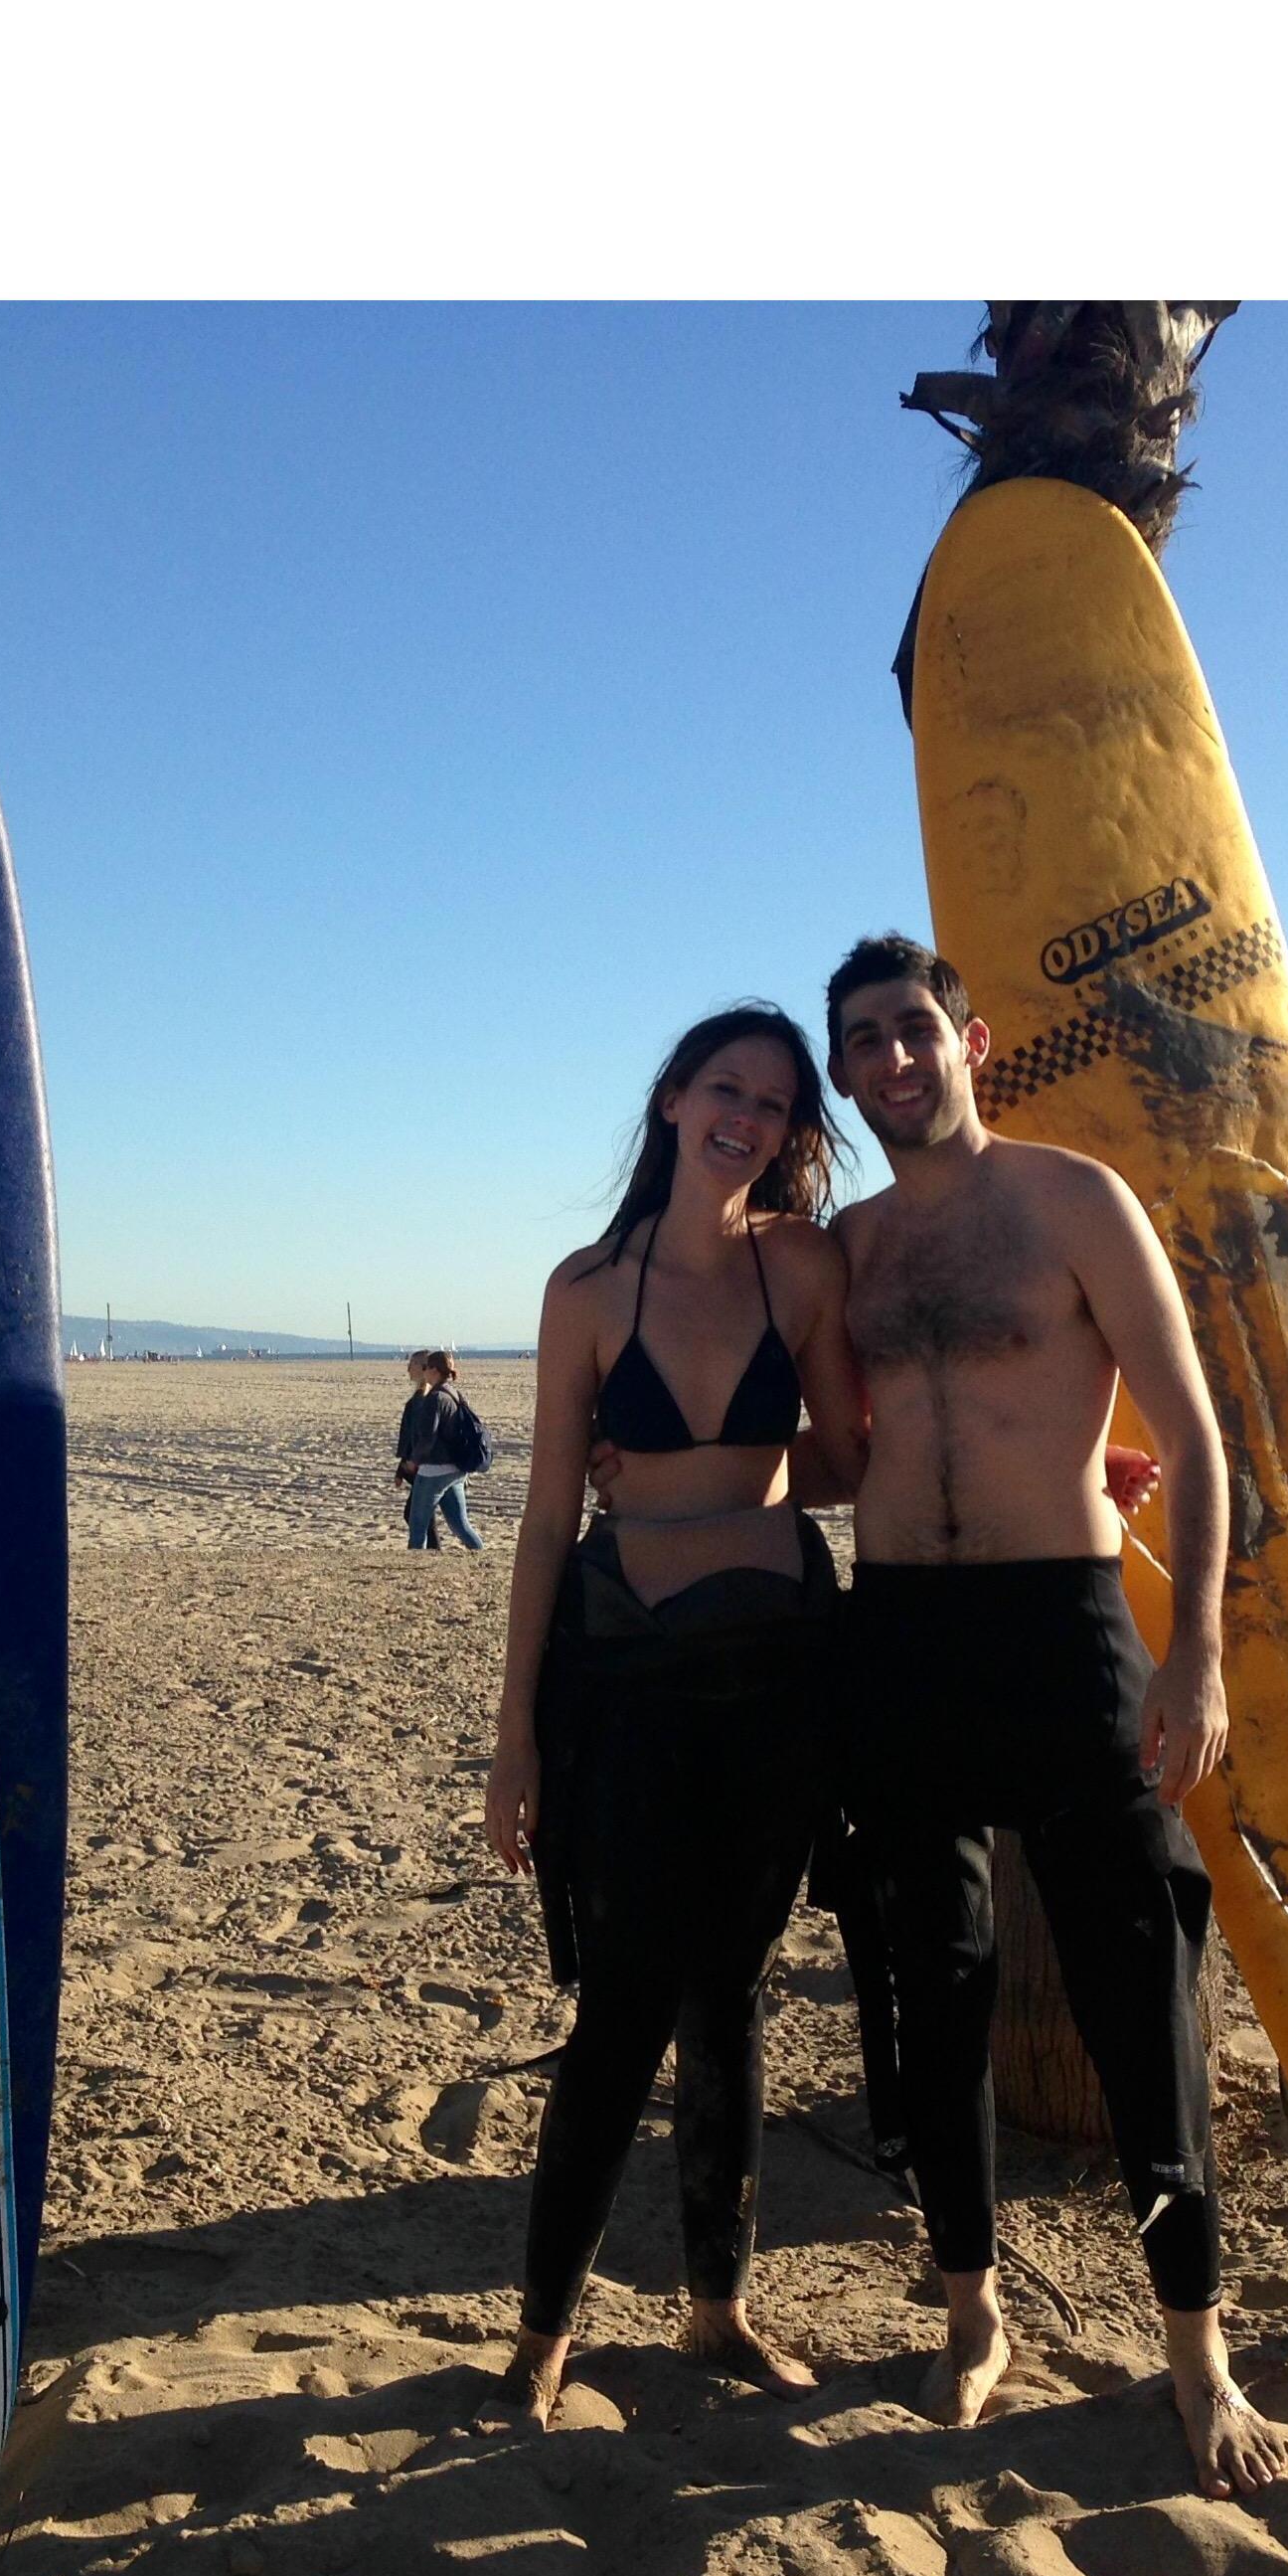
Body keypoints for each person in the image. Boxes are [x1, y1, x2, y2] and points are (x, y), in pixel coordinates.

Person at [823, 932, 1288, 2500]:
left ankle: (1194, 2347)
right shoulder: (854, 1248)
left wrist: (1195, 1655)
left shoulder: (1073, 1199)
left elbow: (1198, 1438)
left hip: (1066, 1631)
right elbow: (838, 1450)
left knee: (1131, 1977)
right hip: (900, 1635)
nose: (892, 1060)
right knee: (930, 1980)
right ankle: (972, 2313)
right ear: (844, 1073)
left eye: (912, 1030)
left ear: (973, 1036)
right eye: (863, 1043)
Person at [478, 1005, 868, 2430]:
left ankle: (719, 2308)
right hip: (624, 1676)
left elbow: (844, 1454)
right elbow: (536, 1523)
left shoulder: (803, 1268)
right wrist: (513, 1740)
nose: (748, 1117)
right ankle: (543, 2330)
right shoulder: (587, 1290)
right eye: (727, 1088)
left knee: (733, 1996)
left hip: (774, 1670)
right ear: (672, 1102)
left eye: (775, 1102)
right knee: (622, 2005)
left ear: (789, 1131)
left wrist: (729, 1471)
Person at [392, 1350, 485, 1552]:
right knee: (460, 1525)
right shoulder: (454, 1394)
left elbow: (427, 1437)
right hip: (456, 1470)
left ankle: (414, 1567)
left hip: (433, 1470)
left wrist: (413, 1461)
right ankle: (483, 1556)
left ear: (433, 1370)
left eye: (426, 1368)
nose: (424, 1373)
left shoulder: (434, 1398)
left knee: (418, 1526)